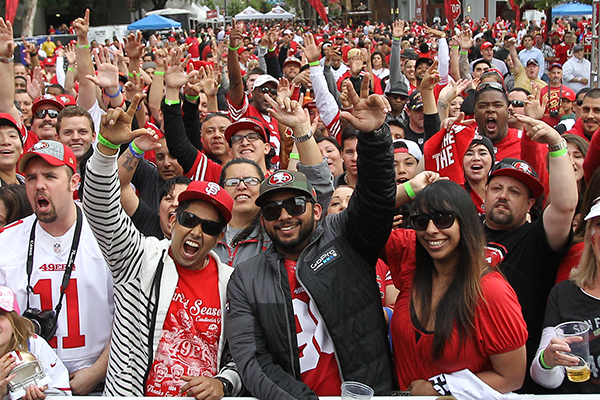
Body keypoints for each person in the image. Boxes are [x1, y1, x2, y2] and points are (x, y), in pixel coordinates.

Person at [225, 78, 396, 399]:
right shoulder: (246, 279)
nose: (284, 215)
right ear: (263, 219)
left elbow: (376, 199)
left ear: (317, 211)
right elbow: (252, 360)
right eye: (273, 210)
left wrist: (374, 138)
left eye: (294, 204)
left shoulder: (345, 237)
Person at [82, 95, 242, 398]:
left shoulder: (232, 283)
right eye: (189, 219)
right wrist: (105, 149)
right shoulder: (138, 258)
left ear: (220, 237)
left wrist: (223, 383)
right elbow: (100, 206)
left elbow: (244, 353)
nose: (196, 231)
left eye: (209, 227)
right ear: (174, 218)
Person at [390, 180, 527, 395]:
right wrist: (408, 189)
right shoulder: (411, 262)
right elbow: (357, 223)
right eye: (421, 221)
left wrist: (440, 389)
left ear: (465, 222)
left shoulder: (490, 292)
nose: (431, 230)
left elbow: (512, 377)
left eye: (443, 219)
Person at [0, 140, 114, 395]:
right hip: (25, 384)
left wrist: (97, 372)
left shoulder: (107, 237)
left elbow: (130, 316)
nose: (39, 185)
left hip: (96, 383)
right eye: (31, 178)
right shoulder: (5, 242)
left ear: (74, 182)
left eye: (50, 176)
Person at [483, 116, 578, 392]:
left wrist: (557, 145)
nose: (503, 195)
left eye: (515, 191)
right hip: (465, 364)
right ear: (485, 192)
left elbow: (564, 206)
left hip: (518, 377)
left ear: (529, 203)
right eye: (497, 188)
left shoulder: (536, 238)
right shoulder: (462, 230)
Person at [531, 198, 600, 393]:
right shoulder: (564, 294)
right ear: (590, 237)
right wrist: (548, 360)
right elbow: (544, 377)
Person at [0, 285, 71, 399]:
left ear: (14, 323)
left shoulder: (34, 344)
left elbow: (63, 393)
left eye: (0, 314)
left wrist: (43, 395)